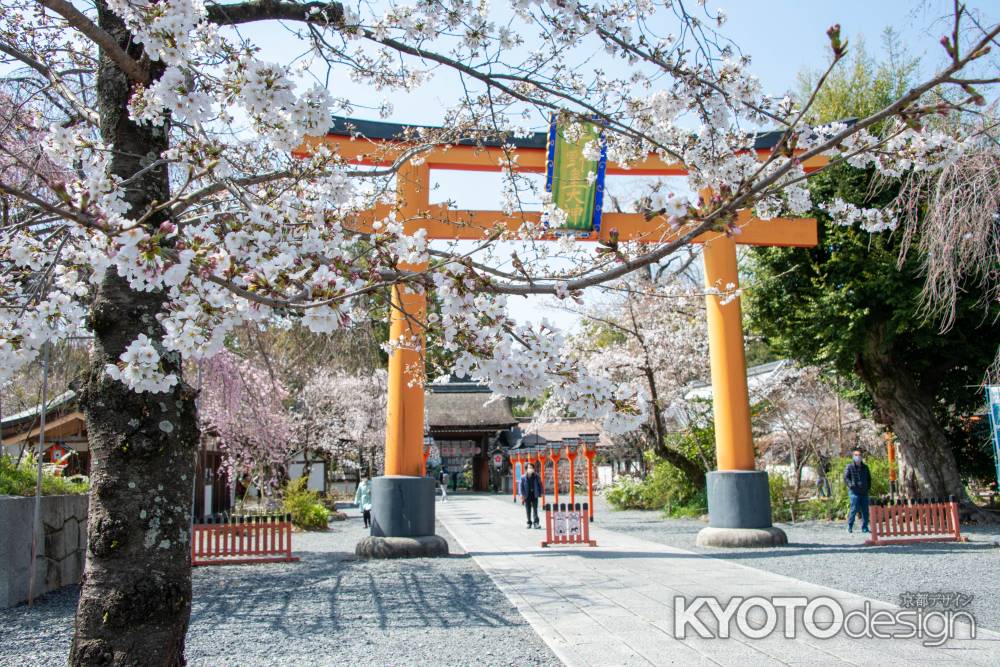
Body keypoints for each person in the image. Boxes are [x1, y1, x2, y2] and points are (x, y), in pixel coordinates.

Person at [843, 448, 871, 533]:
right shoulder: (849, 467)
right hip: (854, 492)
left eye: (859, 455)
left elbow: (869, 479)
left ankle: (865, 527)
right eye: (856, 455)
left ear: (861, 457)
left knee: (865, 510)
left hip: (864, 492)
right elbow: (846, 477)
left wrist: (867, 487)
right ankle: (850, 526)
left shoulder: (865, 467)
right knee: (854, 509)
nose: (857, 457)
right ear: (853, 457)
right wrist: (851, 485)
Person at [519, 464, 543, 529]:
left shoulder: (536, 476)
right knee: (528, 509)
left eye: (532, 467)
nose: (531, 469)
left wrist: (541, 493)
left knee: (535, 509)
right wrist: (521, 495)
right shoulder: (523, 477)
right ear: (526, 469)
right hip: (527, 495)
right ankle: (529, 523)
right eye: (529, 467)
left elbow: (540, 485)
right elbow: (520, 487)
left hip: (534, 494)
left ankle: (536, 523)